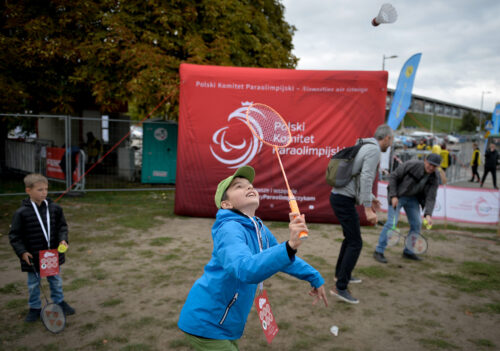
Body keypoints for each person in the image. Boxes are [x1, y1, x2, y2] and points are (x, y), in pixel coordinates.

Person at [177, 166, 328, 349]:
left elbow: (282, 257)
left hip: (226, 323)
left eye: (250, 185)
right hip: (206, 322)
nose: (249, 188)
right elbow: (244, 268)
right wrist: (290, 246)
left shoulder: (259, 228)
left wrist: (313, 276)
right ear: (226, 204)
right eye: (239, 186)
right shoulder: (229, 228)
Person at [329, 124, 393, 304]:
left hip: (340, 197)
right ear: (386, 138)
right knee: (356, 242)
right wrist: (367, 209)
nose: (391, 143)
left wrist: (370, 198)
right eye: (391, 139)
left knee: (350, 239)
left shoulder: (365, 146)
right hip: (343, 199)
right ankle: (340, 288)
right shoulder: (374, 150)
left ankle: (341, 276)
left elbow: (356, 179)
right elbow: (365, 178)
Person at [8, 174, 75, 322]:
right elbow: (15, 236)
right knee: (33, 284)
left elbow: (62, 226)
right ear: (28, 190)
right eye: (39, 190)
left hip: (51, 255)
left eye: (46, 189)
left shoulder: (55, 208)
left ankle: (59, 302)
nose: (44, 193)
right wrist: (22, 252)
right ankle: (35, 308)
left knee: (55, 280)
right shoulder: (21, 213)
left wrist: (63, 239)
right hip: (33, 257)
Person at [373, 153, 441, 263]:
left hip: (413, 199)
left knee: (417, 224)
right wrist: (394, 196)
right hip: (398, 195)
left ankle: (408, 251)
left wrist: (428, 214)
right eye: (430, 164)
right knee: (391, 223)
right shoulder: (412, 164)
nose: (432, 167)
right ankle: (378, 251)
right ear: (425, 160)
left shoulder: (435, 177)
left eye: (435, 166)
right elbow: (394, 176)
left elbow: (431, 197)